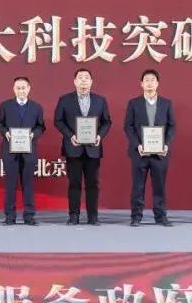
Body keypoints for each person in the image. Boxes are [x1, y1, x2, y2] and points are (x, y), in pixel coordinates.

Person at [53, 68, 112, 226]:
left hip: (93, 148)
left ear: (91, 81)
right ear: (75, 81)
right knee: (74, 183)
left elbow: (107, 122)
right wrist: (70, 135)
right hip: (73, 148)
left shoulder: (100, 100)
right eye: (80, 77)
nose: (83, 80)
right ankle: (74, 215)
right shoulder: (65, 100)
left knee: (93, 184)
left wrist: (99, 136)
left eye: (86, 77)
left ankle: (93, 216)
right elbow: (58, 121)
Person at [123, 69, 175, 227]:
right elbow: (128, 126)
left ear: (157, 83)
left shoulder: (166, 103)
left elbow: (172, 126)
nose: (150, 83)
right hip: (139, 152)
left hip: (160, 153)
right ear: (141, 84)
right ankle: (136, 216)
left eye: (153, 80)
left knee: (159, 186)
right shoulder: (133, 103)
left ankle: (161, 216)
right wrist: (137, 145)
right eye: (146, 80)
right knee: (138, 186)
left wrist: (166, 144)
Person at [0, 76, 45, 225]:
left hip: (29, 151)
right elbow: (0, 124)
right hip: (10, 151)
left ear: (29, 89)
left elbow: (41, 126)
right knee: (10, 184)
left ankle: (29, 215)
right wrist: (6, 133)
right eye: (18, 88)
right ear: (13, 89)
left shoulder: (36, 107)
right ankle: (10, 216)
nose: (21, 90)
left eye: (23, 88)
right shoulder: (5, 105)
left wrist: (33, 134)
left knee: (28, 184)